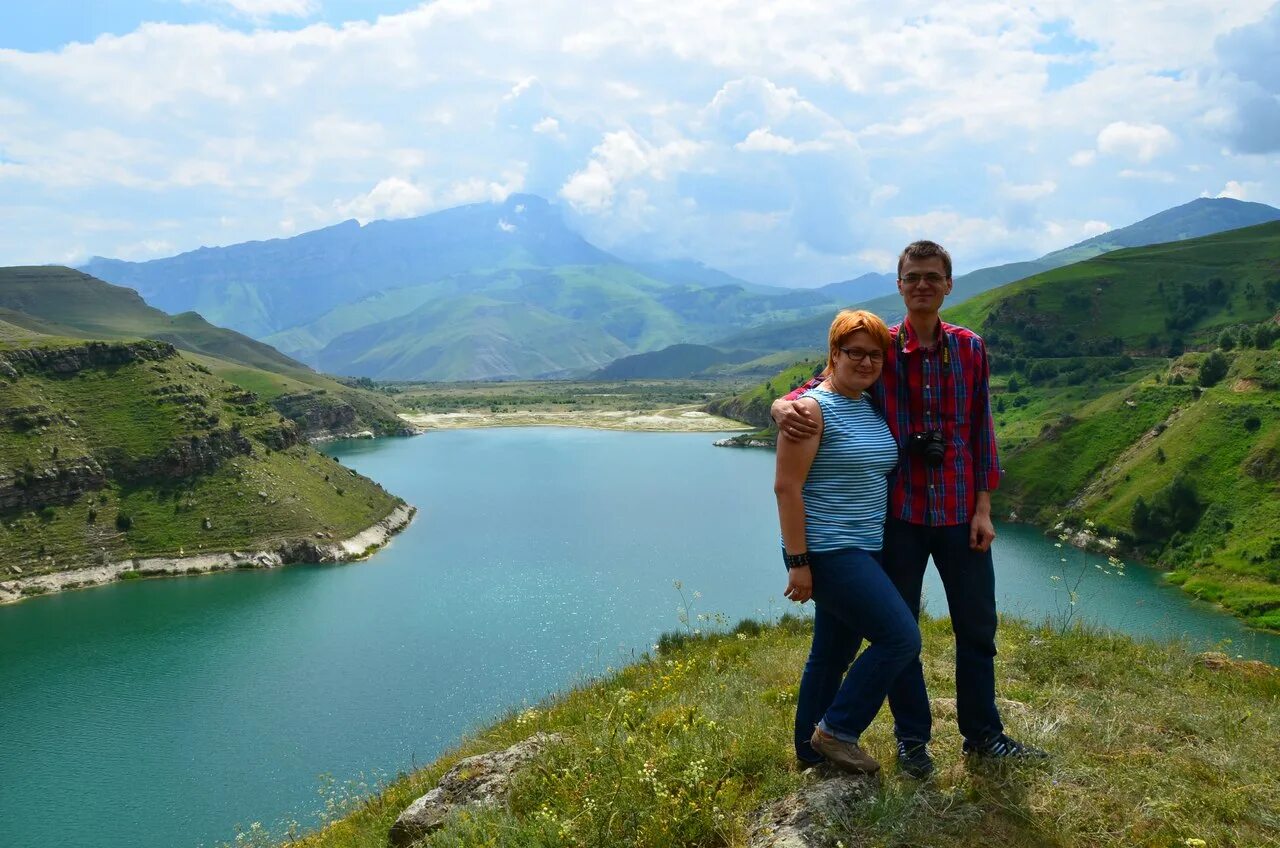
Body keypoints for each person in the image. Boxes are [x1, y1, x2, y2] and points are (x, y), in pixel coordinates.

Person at [773, 240, 1046, 780]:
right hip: (897, 517)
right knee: (901, 632)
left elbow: (980, 428)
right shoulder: (879, 345)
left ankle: (983, 735)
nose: (922, 285)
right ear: (899, 285)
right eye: (912, 277)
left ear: (948, 285)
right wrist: (781, 403)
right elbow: (823, 383)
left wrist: (985, 507)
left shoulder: (969, 348)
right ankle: (912, 740)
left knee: (977, 629)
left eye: (932, 277)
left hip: (960, 510)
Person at [775, 308, 919, 774]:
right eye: (854, 352)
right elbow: (787, 487)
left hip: (865, 547)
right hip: (829, 550)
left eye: (874, 355)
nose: (865, 362)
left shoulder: (868, 405)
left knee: (832, 653)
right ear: (833, 355)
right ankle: (837, 731)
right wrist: (798, 561)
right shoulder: (811, 410)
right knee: (900, 638)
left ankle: (808, 751)